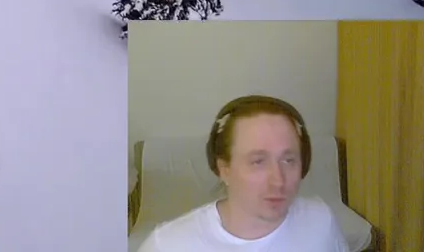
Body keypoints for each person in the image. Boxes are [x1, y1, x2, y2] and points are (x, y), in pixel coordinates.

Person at [137, 95, 350, 252]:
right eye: (258, 162)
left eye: (288, 160)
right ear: (224, 169)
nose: (278, 181)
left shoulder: (321, 223)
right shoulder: (167, 245)